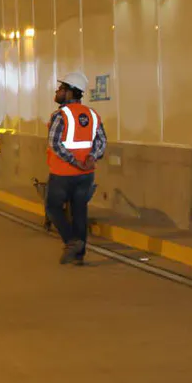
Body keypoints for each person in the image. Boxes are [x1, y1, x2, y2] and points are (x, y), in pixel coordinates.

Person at [46, 71, 106, 264]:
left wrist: (74, 161)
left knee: (53, 208)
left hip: (63, 173)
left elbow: (55, 143)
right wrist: (91, 156)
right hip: (86, 175)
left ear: (71, 92)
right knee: (80, 211)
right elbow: (102, 140)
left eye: (61, 88)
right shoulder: (92, 114)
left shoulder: (61, 115)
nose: (57, 91)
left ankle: (72, 242)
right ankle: (79, 256)